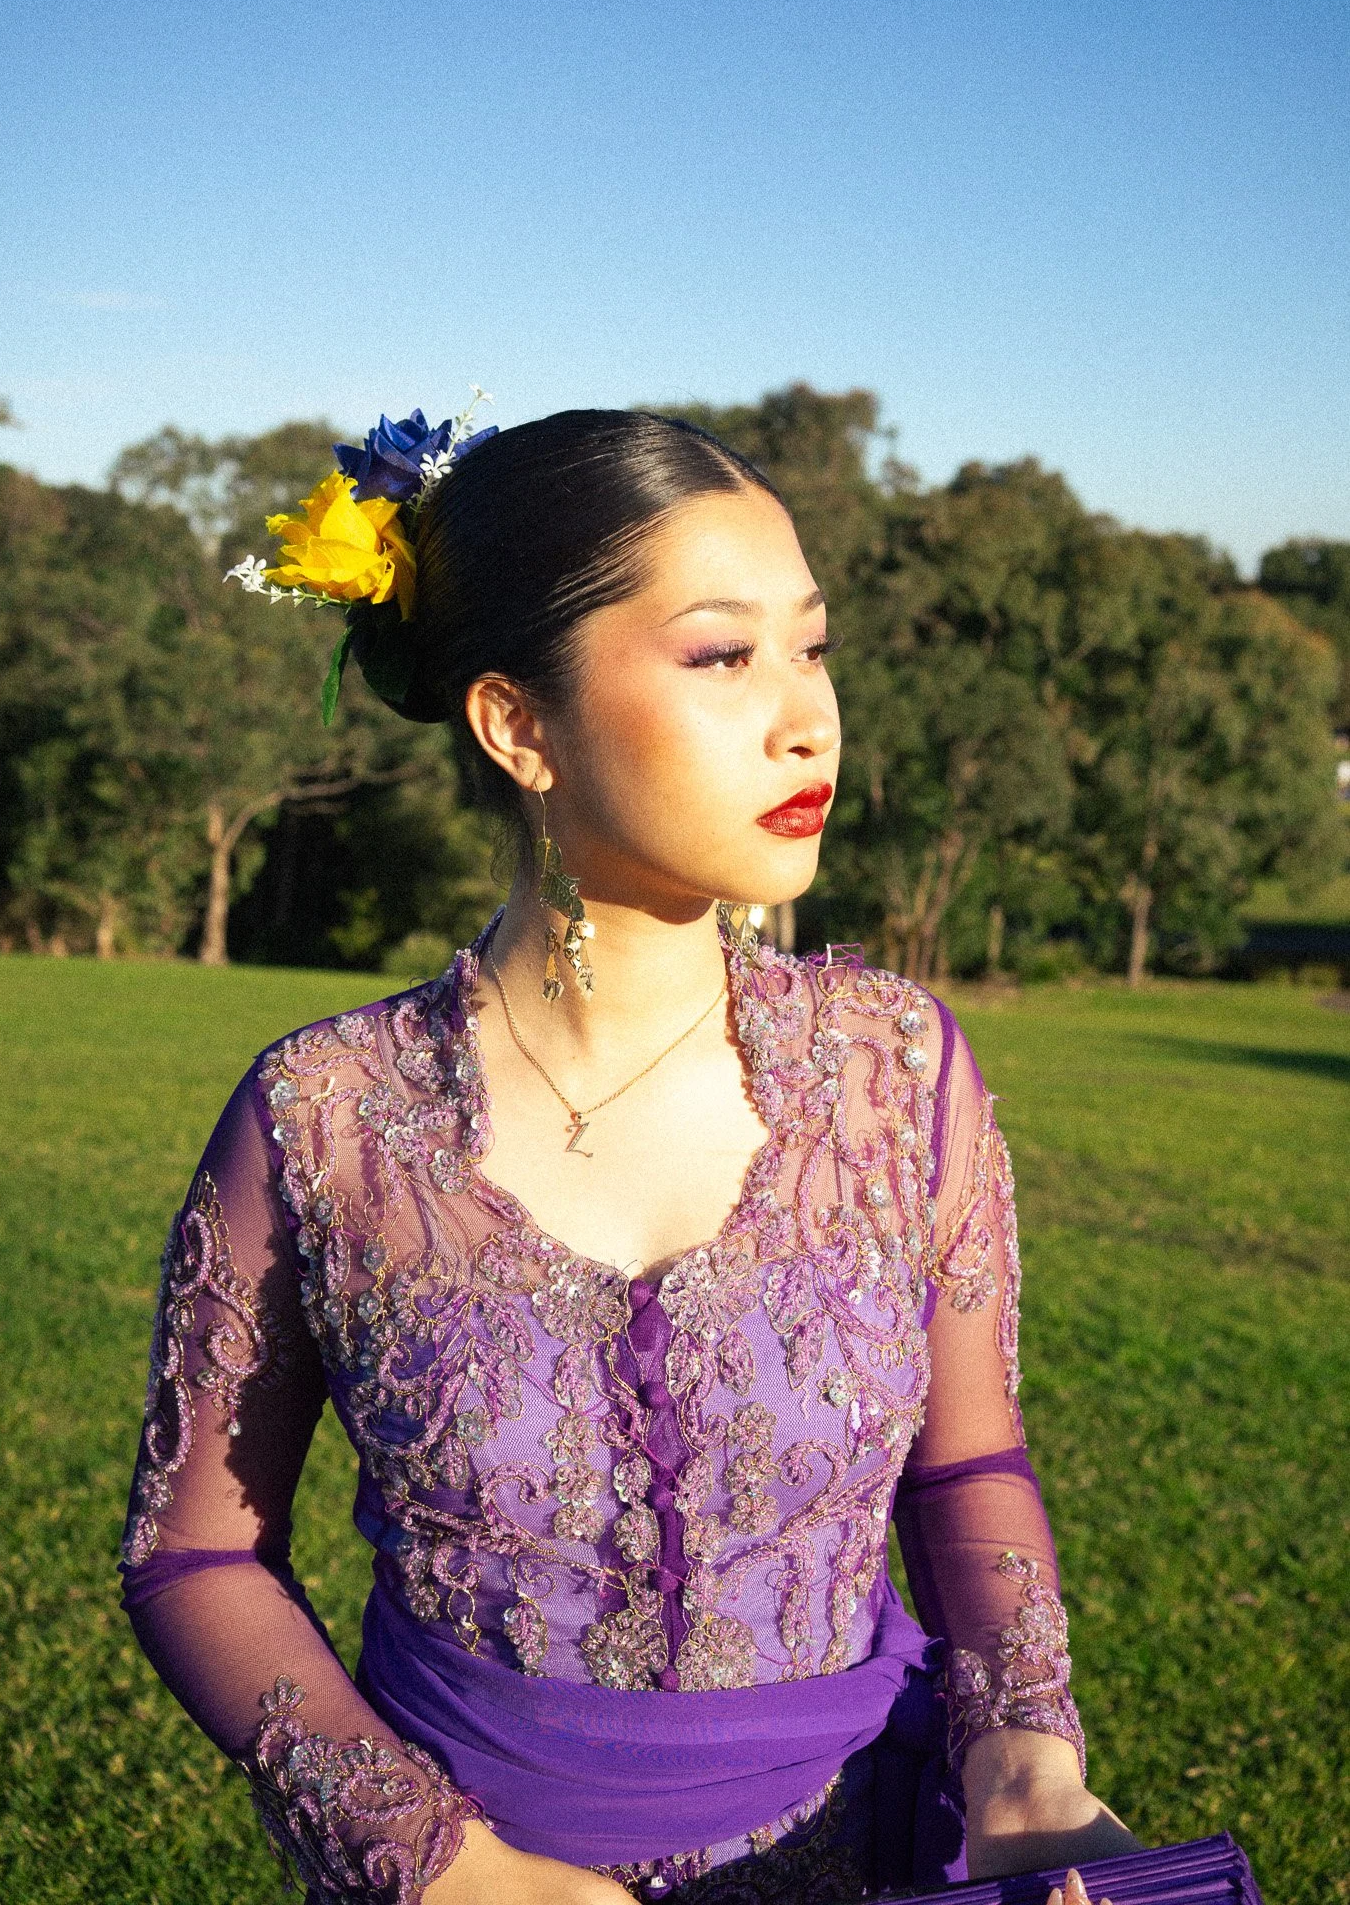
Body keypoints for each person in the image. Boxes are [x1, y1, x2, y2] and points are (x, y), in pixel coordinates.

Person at [119, 407, 1142, 1903]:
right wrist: (442, 1864)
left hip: (855, 1860)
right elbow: (194, 1555)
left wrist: (1025, 1748)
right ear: (517, 725)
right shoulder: (324, 1117)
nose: (809, 718)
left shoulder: (899, 1074)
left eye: (815, 646)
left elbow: (969, 1461)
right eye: (725, 656)